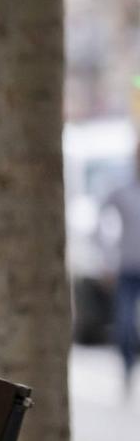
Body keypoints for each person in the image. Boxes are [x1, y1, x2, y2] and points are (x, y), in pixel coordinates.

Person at [102, 153, 140, 394]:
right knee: (124, 323)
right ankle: (127, 368)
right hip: (127, 268)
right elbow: (100, 217)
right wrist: (106, 255)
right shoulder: (123, 191)